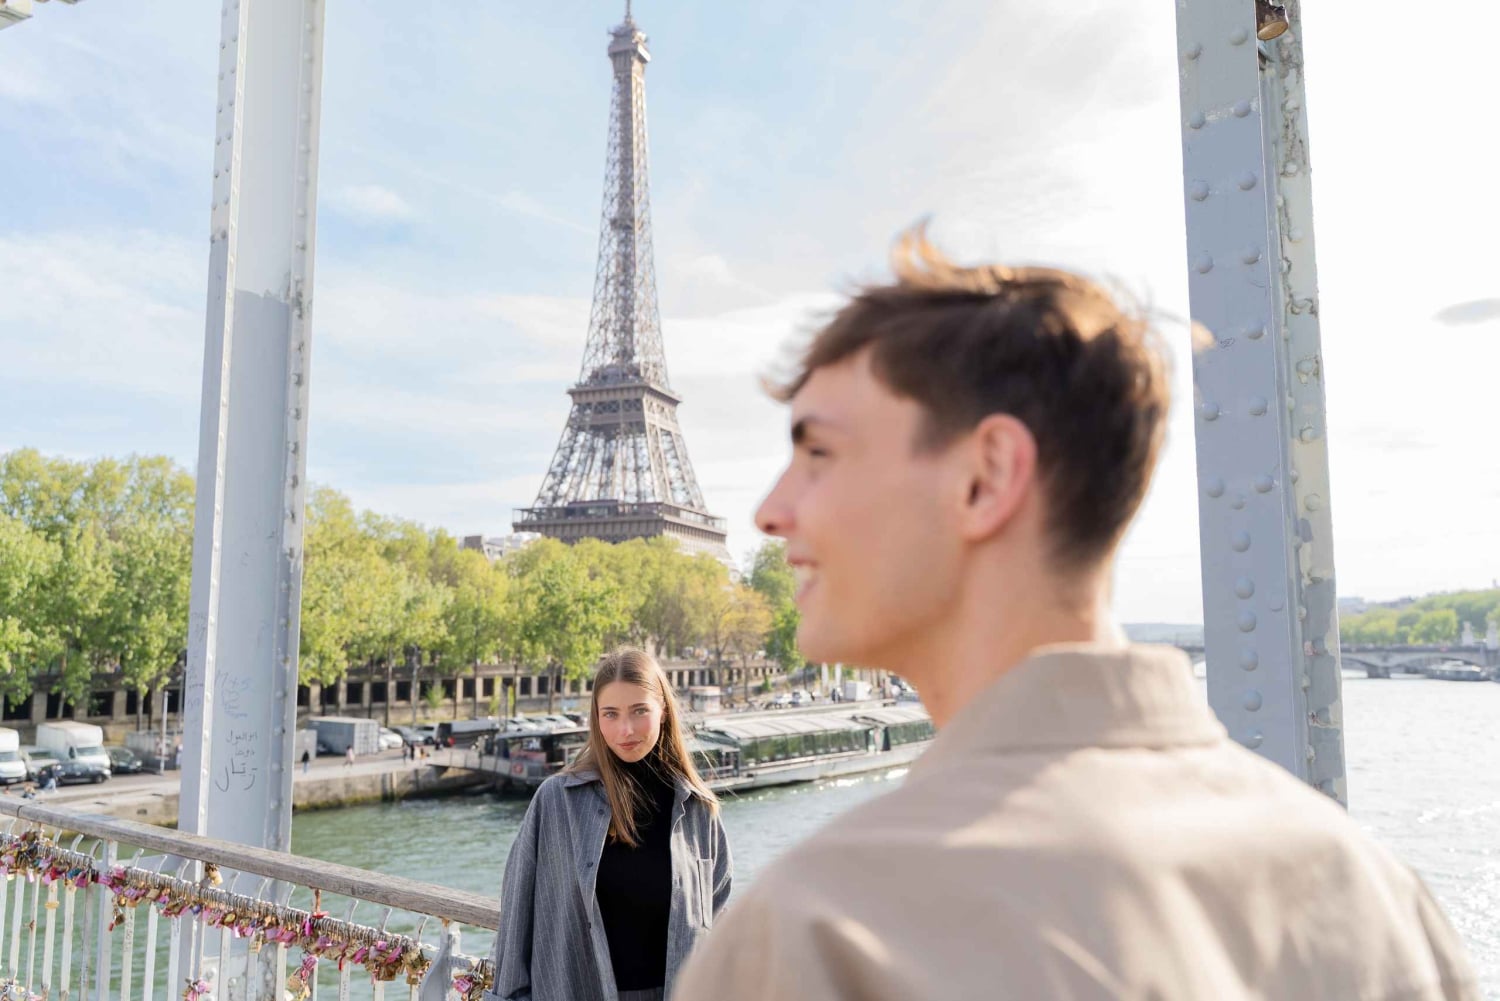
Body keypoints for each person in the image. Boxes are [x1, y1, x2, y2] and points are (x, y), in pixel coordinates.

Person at [674, 228, 1478, 1000]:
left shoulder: (821, 930)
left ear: (986, 478)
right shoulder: (1373, 890)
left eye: (818, 453)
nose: (771, 510)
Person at [485, 648, 731, 1001]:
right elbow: (515, 924)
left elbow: (717, 928)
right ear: (596, 718)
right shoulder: (556, 802)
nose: (625, 730)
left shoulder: (698, 810)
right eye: (610, 714)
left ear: (663, 710)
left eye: (639, 711)